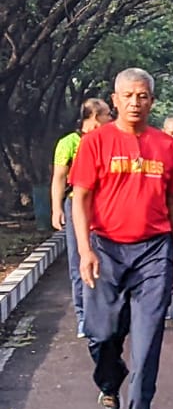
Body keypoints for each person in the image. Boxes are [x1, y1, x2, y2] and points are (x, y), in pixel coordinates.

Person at [69, 69, 173, 409]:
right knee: (101, 332)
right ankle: (110, 380)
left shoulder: (167, 146)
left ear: (152, 101)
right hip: (106, 248)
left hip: (154, 249)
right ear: (115, 100)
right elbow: (81, 198)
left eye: (143, 96)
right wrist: (85, 250)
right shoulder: (96, 142)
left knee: (148, 335)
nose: (135, 102)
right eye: (129, 96)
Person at [52, 98, 109, 338]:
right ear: (94, 116)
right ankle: (83, 317)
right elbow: (59, 177)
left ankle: (106, 314)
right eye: (107, 114)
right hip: (78, 205)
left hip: (105, 206)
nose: (111, 118)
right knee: (79, 260)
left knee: (107, 261)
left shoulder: (108, 141)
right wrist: (56, 208)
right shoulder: (69, 143)